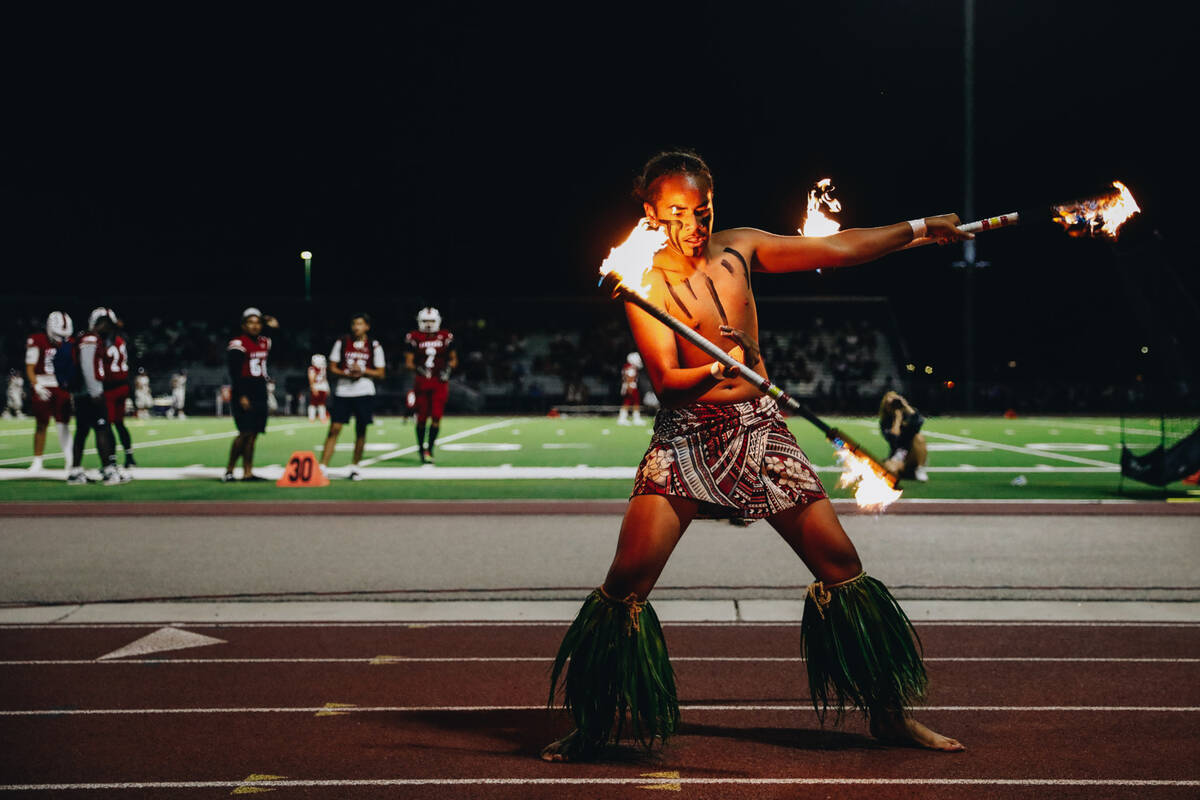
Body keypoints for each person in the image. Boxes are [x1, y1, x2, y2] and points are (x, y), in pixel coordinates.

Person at [543, 150, 971, 762]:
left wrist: (921, 229)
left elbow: (840, 248)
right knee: (626, 583)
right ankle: (593, 723)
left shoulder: (739, 248)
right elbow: (667, 379)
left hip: (760, 431)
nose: (692, 224)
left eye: (702, 210)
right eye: (676, 213)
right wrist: (722, 363)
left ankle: (887, 713)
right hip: (686, 439)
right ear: (649, 213)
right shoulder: (643, 280)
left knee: (842, 566)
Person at [320, 314, 386, 480]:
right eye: (354, 324)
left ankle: (355, 466)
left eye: (360, 324)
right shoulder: (342, 342)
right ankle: (323, 466)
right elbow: (332, 368)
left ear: (367, 327)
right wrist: (347, 373)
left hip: (364, 391)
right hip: (343, 390)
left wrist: (362, 371)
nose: (357, 327)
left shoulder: (374, 345)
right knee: (334, 428)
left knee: (361, 430)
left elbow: (380, 372)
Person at [67, 309, 125, 485]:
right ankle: (108, 470)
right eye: (107, 324)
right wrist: (94, 391)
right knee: (102, 429)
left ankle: (75, 471)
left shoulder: (87, 338)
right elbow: (87, 366)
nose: (109, 329)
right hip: (90, 394)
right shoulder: (90, 339)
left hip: (83, 393)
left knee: (82, 432)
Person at [224, 308, 278, 482]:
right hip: (244, 388)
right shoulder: (238, 343)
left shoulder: (264, 341)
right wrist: (241, 395)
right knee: (245, 432)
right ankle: (230, 470)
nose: (255, 326)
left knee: (254, 433)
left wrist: (274, 325)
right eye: (250, 322)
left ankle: (248, 471)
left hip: (260, 388)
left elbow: (281, 342)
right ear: (243, 325)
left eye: (258, 322)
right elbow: (235, 372)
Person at [404, 307, 456, 464]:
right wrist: (418, 368)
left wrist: (448, 370)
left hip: (439, 382)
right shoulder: (414, 337)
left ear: (438, 321)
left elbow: (453, 359)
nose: (428, 325)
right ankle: (421, 448)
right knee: (421, 418)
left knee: (436, 418)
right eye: (425, 321)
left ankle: (430, 448)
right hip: (422, 381)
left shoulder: (446, 336)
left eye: (431, 321)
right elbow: (408, 362)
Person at [24, 311, 74, 472]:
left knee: (63, 424)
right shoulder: (37, 340)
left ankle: (70, 459)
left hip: (62, 386)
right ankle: (38, 460)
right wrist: (36, 385)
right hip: (43, 384)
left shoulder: (71, 342)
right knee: (41, 424)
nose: (61, 338)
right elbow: (30, 367)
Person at [97, 307, 136, 472]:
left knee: (106, 425)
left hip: (110, 387)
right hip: (123, 384)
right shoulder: (122, 338)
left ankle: (111, 460)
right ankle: (129, 456)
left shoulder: (104, 341)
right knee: (119, 423)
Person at [879, 390, 928, 482]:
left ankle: (920, 468)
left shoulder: (908, 415)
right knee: (890, 471)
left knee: (919, 437)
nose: (893, 406)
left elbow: (919, 422)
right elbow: (893, 438)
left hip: (912, 454)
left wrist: (905, 406)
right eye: (889, 404)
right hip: (898, 454)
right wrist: (897, 419)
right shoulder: (885, 422)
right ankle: (907, 472)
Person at [617, 351, 645, 426]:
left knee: (628, 402)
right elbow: (629, 377)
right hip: (631, 386)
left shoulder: (627, 366)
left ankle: (623, 417)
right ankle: (635, 418)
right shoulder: (630, 367)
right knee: (633, 402)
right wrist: (629, 387)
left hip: (629, 386)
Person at [308, 354, 330, 422]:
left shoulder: (323, 369)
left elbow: (325, 379)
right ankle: (312, 417)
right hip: (317, 386)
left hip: (322, 387)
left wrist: (327, 388)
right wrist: (313, 388)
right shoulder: (313, 369)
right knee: (314, 403)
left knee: (321, 403)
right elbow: (311, 379)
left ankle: (321, 417)